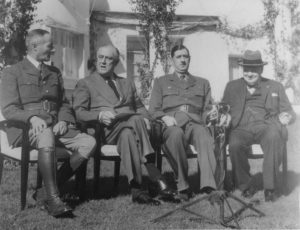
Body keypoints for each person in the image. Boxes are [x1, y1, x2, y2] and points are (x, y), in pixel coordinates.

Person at [0, 29, 96, 217]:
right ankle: (53, 200)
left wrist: (64, 120)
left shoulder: (54, 72)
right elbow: (9, 108)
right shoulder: (13, 72)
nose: (52, 50)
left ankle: (44, 192)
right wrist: (31, 118)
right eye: (49, 46)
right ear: (34, 46)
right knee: (45, 133)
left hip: (53, 125)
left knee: (89, 142)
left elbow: (64, 103)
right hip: (25, 129)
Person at [72, 44, 177, 205]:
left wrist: (147, 119)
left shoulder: (126, 82)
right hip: (106, 130)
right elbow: (79, 112)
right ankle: (155, 175)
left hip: (128, 130)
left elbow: (140, 107)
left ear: (115, 63)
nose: (103, 62)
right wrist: (98, 115)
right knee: (135, 120)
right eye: (100, 57)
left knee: (129, 132)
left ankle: (137, 191)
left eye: (108, 59)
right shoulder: (86, 83)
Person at [222, 50, 296, 202]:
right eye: (246, 70)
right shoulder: (232, 86)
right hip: (241, 127)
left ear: (261, 70)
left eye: (254, 70)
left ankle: (270, 188)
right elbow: (224, 107)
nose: (249, 73)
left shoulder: (275, 86)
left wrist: (287, 116)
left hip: (267, 125)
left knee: (274, 136)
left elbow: (289, 111)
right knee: (235, 144)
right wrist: (224, 115)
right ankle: (245, 186)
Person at [149, 44, 218, 201]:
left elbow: (206, 110)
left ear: (189, 59)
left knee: (204, 135)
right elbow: (153, 110)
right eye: (178, 57)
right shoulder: (161, 82)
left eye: (185, 57)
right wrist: (164, 117)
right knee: (175, 135)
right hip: (171, 123)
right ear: (172, 60)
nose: (182, 60)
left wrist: (210, 115)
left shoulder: (202, 83)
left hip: (194, 123)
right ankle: (183, 186)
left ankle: (209, 185)